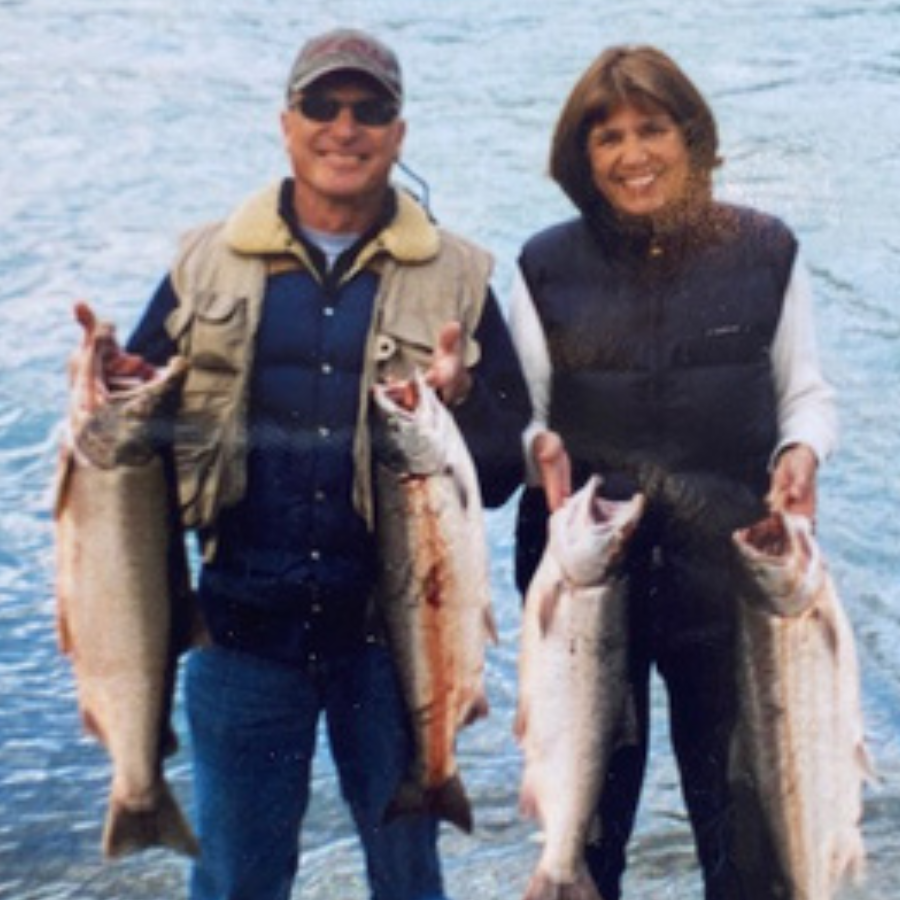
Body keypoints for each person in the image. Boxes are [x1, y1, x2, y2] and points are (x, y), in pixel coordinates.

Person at [122, 28, 530, 900]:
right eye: (323, 105)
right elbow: (137, 442)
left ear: (399, 134)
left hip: (397, 647)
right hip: (239, 634)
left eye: (370, 109)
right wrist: (112, 387)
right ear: (286, 122)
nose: (345, 128)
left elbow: (501, 471)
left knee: (408, 878)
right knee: (236, 879)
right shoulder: (204, 262)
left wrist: (458, 404)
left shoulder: (459, 276)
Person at [508, 45, 836, 899]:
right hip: (586, 594)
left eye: (651, 128)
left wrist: (802, 451)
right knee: (583, 835)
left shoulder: (766, 251)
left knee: (747, 852)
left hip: (730, 591)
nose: (632, 154)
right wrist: (532, 446)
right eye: (607, 137)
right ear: (581, 157)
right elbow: (527, 416)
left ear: (692, 136)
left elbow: (805, 395)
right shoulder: (542, 266)